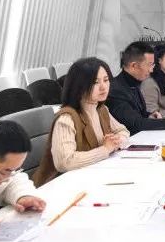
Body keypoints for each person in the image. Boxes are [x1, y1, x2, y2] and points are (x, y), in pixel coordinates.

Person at [32, 57, 132, 187]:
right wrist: (105, 149)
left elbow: (123, 130)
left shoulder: (101, 109)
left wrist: (117, 140)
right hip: (61, 186)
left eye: (106, 80)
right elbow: (64, 162)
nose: (103, 87)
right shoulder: (66, 119)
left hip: (91, 178)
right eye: (95, 82)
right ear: (79, 86)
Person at [107, 41, 165, 132]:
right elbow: (136, 123)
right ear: (134, 66)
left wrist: (149, 115)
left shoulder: (134, 82)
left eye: (153, 65)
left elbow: (139, 114)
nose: (151, 70)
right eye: (149, 65)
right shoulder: (116, 90)